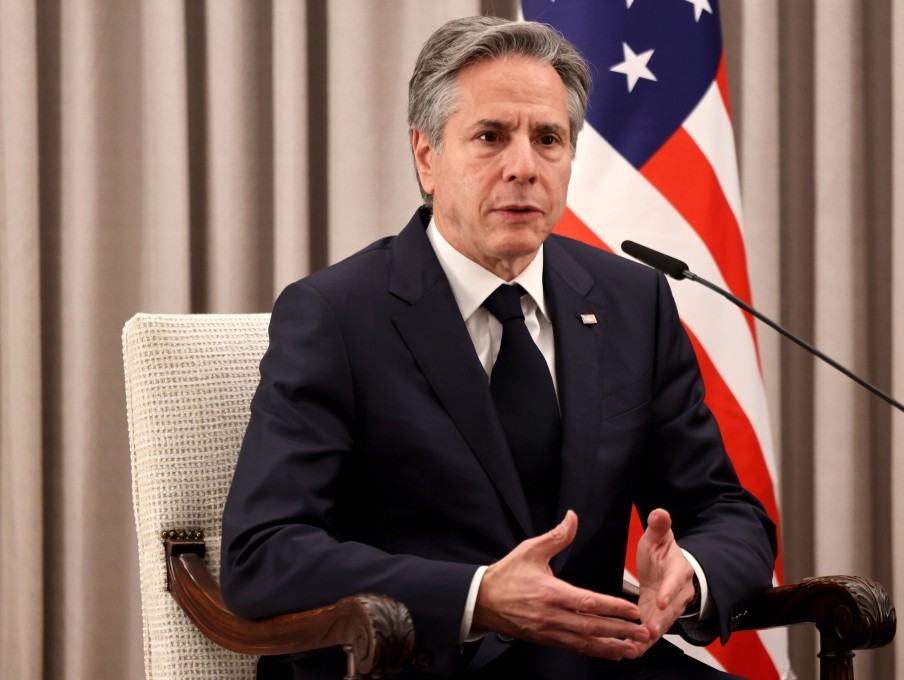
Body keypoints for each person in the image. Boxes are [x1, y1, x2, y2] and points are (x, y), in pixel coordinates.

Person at [221, 15, 777, 680]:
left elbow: (724, 509)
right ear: (426, 156)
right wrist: (477, 596)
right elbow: (263, 554)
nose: (525, 167)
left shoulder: (635, 302)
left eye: (549, 139)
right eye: (490, 137)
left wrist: (691, 571)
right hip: (411, 662)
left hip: (595, 664)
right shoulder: (336, 315)